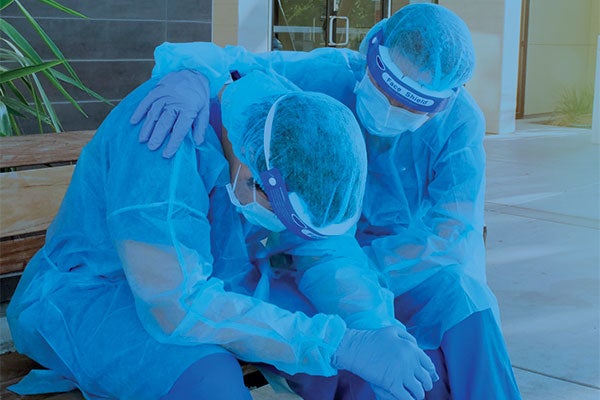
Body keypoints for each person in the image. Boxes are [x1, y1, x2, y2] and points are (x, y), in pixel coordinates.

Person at [130, 3, 522, 399]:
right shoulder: (324, 76)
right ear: (372, 52)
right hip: (303, 255)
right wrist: (195, 76)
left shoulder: (460, 124)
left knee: (462, 300)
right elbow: (238, 66)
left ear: (444, 103)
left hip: (397, 260)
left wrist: (361, 278)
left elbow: (453, 236)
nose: (390, 109)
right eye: (384, 88)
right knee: (373, 367)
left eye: (411, 105)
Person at [7, 65, 438, 400]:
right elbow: (177, 306)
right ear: (255, 179)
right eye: (283, 215)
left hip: (210, 279)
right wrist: (341, 344)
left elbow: (325, 252)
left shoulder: (283, 125)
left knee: (352, 359)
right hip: (94, 293)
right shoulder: (163, 137)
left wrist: (373, 327)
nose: (286, 229)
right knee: (208, 376)